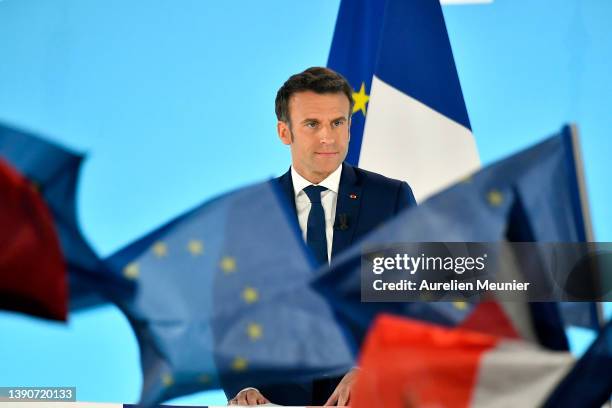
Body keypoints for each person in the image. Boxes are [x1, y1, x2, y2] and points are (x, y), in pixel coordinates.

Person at [227, 67, 416, 406]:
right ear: (285, 132)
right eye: (312, 124)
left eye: (338, 123)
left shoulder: (390, 199)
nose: (328, 137)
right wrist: (244, 388)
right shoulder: (249, 212)